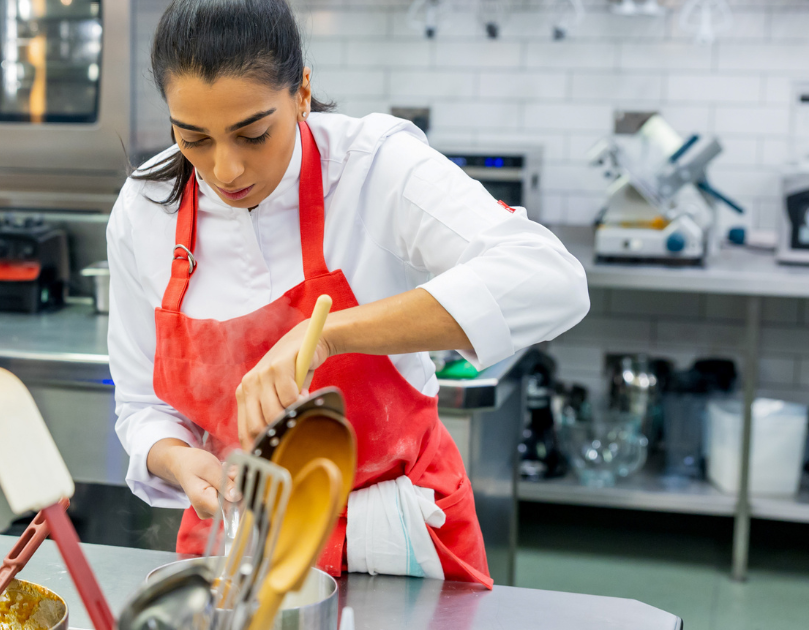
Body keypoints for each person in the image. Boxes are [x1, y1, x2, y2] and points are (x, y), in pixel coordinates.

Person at [107, 0, 588, 586]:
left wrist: (329, 334)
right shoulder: (146, 211)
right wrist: (178, 459)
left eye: (253, 133)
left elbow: (550, 277)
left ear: (302, 92)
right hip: (240, 545)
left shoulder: (370, 166)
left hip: (399, 539)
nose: (225, 168)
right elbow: (141, 407)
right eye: (194, 139)